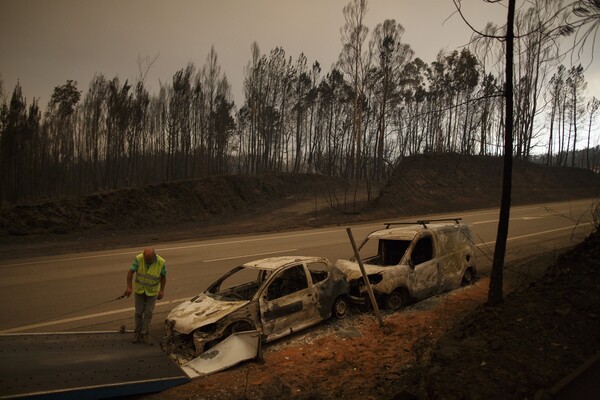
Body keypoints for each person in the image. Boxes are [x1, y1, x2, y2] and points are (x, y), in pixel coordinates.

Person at [124, 247, 167, 345]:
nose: (146, 261)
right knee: (138, 313)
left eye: (148, 259)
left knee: (148, 313)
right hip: (140, 290)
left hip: (152, 292)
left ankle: (145, 334)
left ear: (154, 256)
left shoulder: (161, 262)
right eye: (145, 259)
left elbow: (163, 276)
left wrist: (162, 290)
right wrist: (129, 287)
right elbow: (130, 272)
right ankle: (137, 333)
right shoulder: (139, 258)